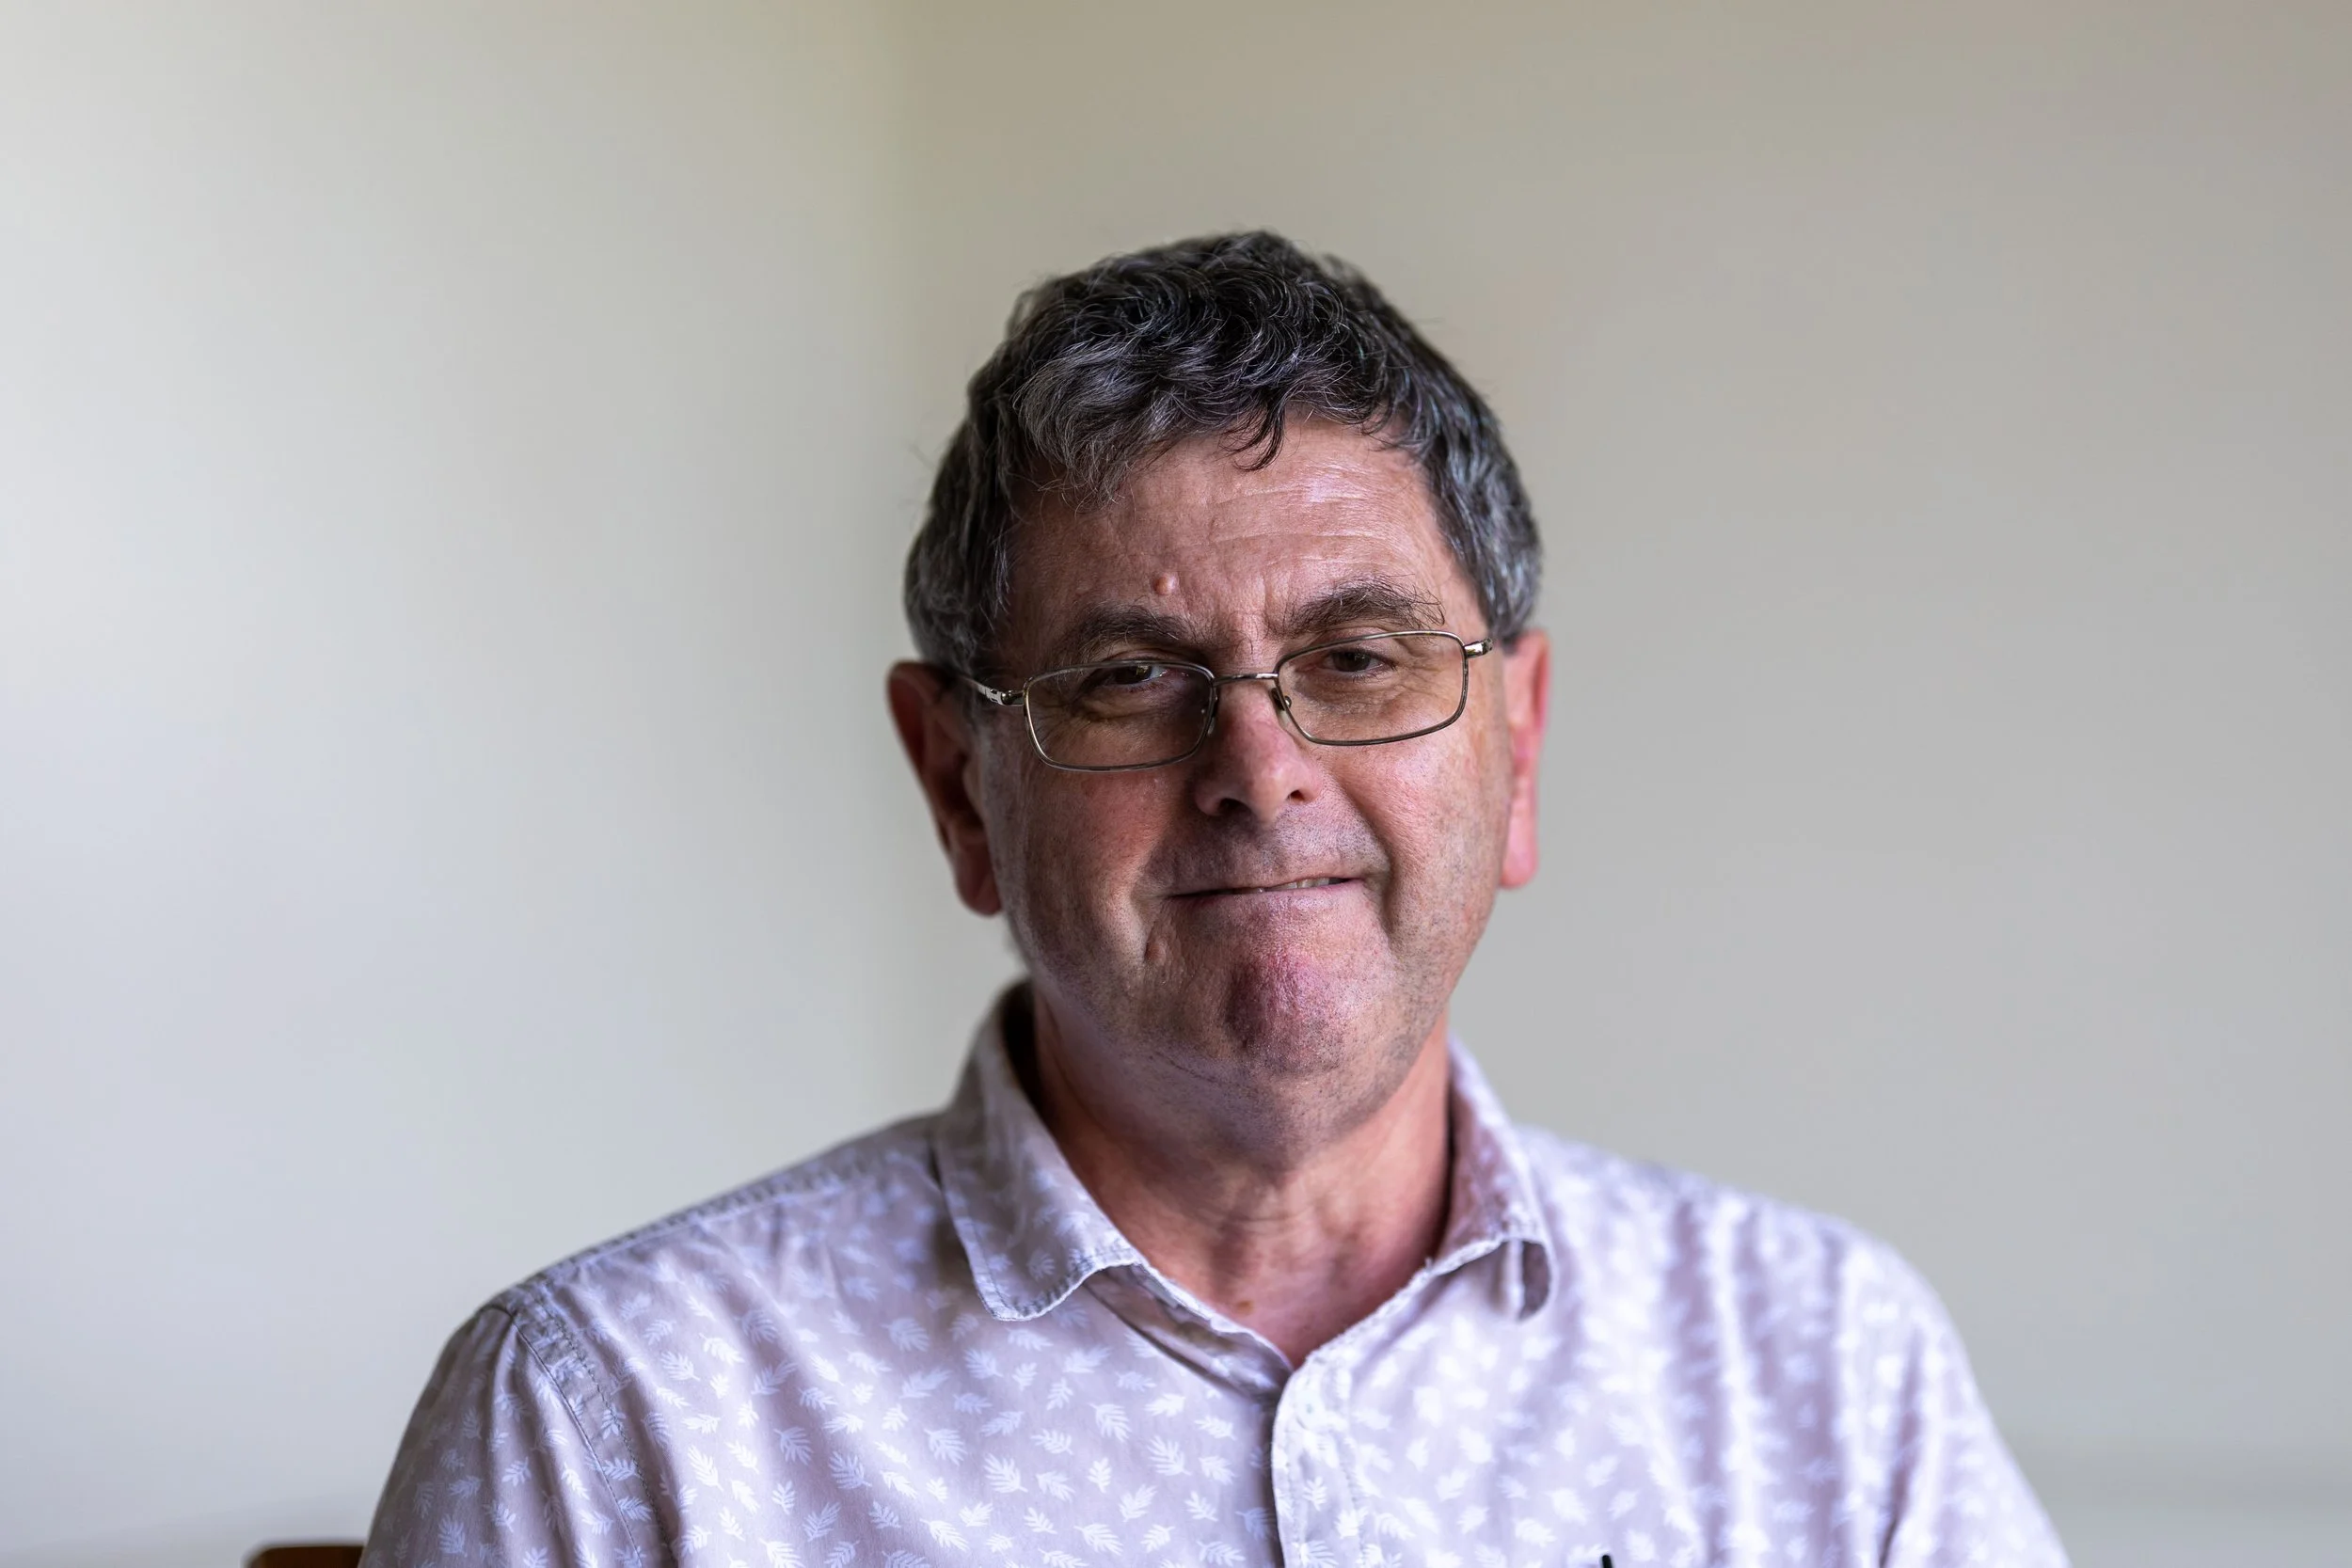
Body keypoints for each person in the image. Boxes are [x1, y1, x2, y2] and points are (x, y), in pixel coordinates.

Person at [360, 231, 2065, 1568]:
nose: (1259, 765)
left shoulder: (1825, 1369)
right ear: (960, 783)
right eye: (1124, 679)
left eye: (1361, 657)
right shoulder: (616, 1418)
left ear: (1520, 750)